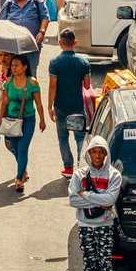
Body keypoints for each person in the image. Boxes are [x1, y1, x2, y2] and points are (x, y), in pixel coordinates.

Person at [67, 136, 122, 271]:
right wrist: (100, 201)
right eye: (94, 152)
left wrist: (86, 195)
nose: (97, 155)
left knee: (105, 263)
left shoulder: (114, 175)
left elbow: (111, 199)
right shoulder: (79, 175)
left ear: (106, 154)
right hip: (85, 225)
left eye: (101, 152)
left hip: (105, 225)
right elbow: (73, 199)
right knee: (89, 263)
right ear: (89, 154)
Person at [0, 55, 45, 193]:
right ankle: (23, 170)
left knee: (23, 148)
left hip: (28, 120)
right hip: (11, 120)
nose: (14, 68)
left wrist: (42, 119)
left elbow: (39, 104)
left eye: (17, 65)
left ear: (24, 67)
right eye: (12, 65)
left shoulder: (32, 82)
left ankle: (19, 179)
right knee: (16, 149)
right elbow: (5, 101)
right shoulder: (9, 81)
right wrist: (0, 118)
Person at [50, 33, 92, 175]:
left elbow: (52, 86)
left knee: (63, 138)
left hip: (61, 106)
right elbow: (87, 85)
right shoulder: (83, 62)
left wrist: (50, 105)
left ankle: (68, 168)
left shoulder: (54, 62)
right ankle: (83, 166)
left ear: (60, 42)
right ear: (75, 42)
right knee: (80, 138)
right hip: (77, 106)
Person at [0, 0, 47, 80]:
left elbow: (45, 18)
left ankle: (31, 95)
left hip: (32, 45)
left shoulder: (36, 1)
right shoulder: (9, 3)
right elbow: (1, 22)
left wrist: (42, 32)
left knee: (31, 73)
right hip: (12, 46)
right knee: (13, 74)